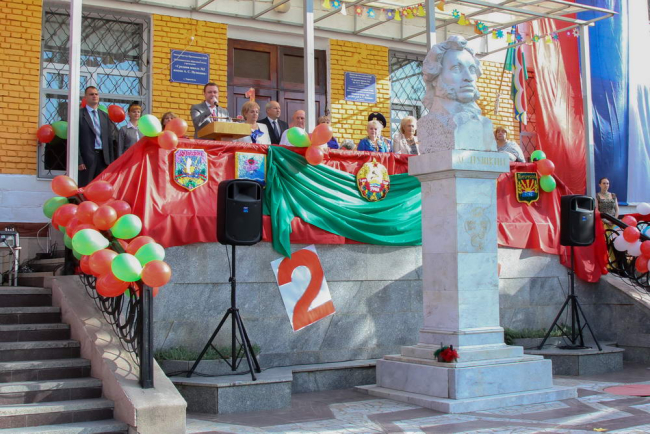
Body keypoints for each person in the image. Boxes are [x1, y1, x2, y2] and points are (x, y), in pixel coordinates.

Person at [419, 35, 496, 154]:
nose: (469, 77)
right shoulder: (431, 123)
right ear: (435, 77)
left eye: (472, 70)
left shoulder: (484, 124)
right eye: (456, 69)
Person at [78, 86, 117, 187]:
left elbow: (109, 140)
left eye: (96, 94)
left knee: (100, 187)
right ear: (85, 97)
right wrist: (79, 160)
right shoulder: (79, 115)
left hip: (103, 159)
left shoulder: (105, 116)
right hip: (87, 159)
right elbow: (74, 140)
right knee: (85, 187)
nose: (94, 96)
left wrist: (111, 162)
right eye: (91, 94)